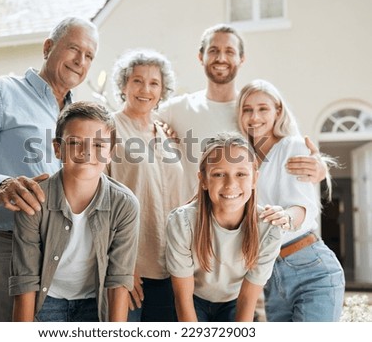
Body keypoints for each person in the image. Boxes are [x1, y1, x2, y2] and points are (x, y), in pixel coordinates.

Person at [0, 17, 99, 321]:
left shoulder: (82, 116)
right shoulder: (1, 93)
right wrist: (0, 187)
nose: (80, 61)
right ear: (48, 47)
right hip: (4, 252)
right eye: (73, 49)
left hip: (65, 261)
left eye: (89, 55)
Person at [157, 24, 327, 201]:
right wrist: (159, 127)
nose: (221, 58)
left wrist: (321, 168)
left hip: (246, 223)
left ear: (241, 59)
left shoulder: (255, 114)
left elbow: (292, 151)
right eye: (213, 50)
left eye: (230, 51)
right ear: (201, 57)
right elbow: (137, 121)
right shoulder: (177, 108)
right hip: (194, 221)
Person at [9, 101, 139, 322]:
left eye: (99, 145)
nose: (86, 152)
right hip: (46, 298)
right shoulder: (35, 200)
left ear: (111, 153)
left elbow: (119, 281)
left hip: (94, 302)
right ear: (58, 148)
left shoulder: (125, 205)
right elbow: (25, 281)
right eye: (75, 142)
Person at [236, 79, 345, 321]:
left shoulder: (293, 146)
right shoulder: (242, 158)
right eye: (247, 109)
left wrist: (286, 217)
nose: (254, 116)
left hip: (311, 269)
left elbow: (303, 206)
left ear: (278, 111)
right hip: (269, 275)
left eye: (263, 108)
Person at [166, 132, 282, 322]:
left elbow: (247, 298)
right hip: (193, 298)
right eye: (219, 174)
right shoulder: (182, 222)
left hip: (235, 300)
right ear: (203, 180)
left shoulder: (269, 229)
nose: (230, 184)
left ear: (254, 179)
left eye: (241, 174)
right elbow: (183, 298)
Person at [108, 49, 186, 321]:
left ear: (162, 90)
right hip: (132, 268)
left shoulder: (165, 132)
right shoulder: (108, 129)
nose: (146, 89)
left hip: (172, 266)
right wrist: (119, 265)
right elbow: (97, 201)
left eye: (154, 83)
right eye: (137, 81)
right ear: (123, 85)